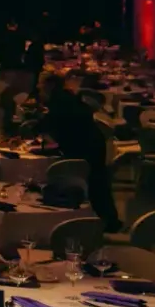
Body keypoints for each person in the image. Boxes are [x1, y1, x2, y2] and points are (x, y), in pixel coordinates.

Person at [35, 74, 119, 230]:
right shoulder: (67, 97)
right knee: (98, 181)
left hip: (85, 144)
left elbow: (49, 124)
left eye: (41, 86)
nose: (39, 89)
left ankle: (96, 221)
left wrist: (34, 127)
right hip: (92, 141)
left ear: (50, 86)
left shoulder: (59, 101)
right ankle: (108, 220)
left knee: (95, 181)